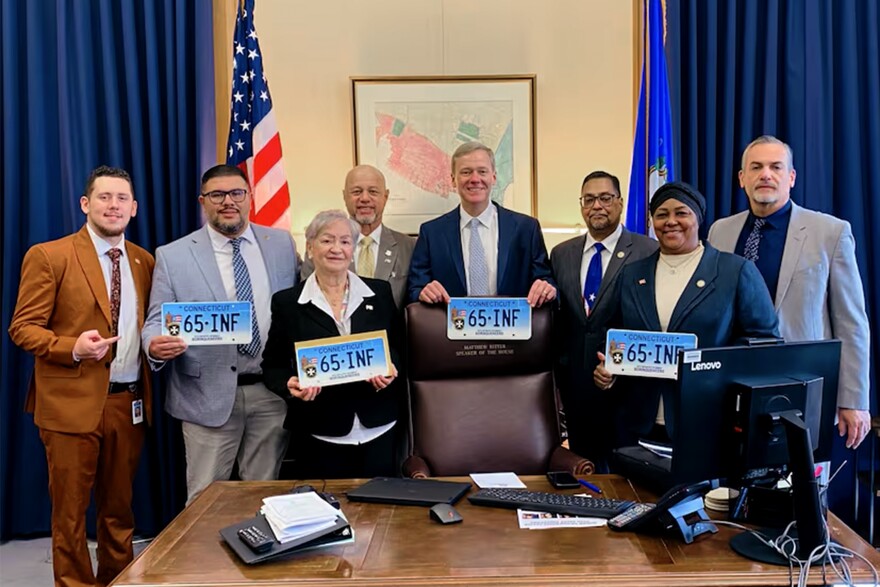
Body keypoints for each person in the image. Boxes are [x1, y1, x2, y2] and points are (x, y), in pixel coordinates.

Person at [9, 166, 154, 587]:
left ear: (134, 208)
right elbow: (23, 327)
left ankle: (119, 580)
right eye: (104, 197)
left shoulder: (144, 261)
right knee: (70, 516)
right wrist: (71, 347)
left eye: (121, 198)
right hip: (70, 405)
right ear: (85, 204)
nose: (114, 206)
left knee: (120, 511)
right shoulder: (49, 255)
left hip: (128, 404)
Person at [142, 164, 298, 503]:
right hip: (205, 395)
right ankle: (202, 559)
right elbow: (156, 320)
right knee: (204, 501)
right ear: (203, 201)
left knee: (266, 497)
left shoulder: (281, 244)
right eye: (217, 195)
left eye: (236, 193)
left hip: (270, 393)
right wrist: (154, 345)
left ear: (250, 197)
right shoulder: (173, 255)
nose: (228, 201)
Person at [708, 135, 871, 449]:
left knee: (799, 494)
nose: (765, 174)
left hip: (801, 386)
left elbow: (851, 323)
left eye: (775, 167)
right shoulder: (720, 231)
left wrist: (853, 399)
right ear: (742, 179)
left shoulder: (831, 232)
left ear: (791, 177)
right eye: (756, 167)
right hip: (732, 387)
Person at [594, 182, 779, 446]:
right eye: (661, 214)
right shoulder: (631, 274)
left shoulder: (734, 272)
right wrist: (607, 369)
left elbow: (765, 343)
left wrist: (713, 365)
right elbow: (610, 334)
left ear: (698, 219)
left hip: (706, 423)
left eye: (681, 213)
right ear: (651, 221)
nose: (671, 221)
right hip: (637, 428)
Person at [262, 210, 402, 478]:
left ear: (352, 249)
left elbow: (397, 348)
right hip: (320, 430)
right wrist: (290, 385)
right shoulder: (288, 302)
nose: (336, 248)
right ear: (310, 247)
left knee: (382, 515)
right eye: (327, 241)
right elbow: (273, 365)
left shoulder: (380, 292)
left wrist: (391, 367)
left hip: (379, 425)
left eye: (345, 241)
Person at [550, 170, 657, 469]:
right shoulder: (561, 254)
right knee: (585, 468)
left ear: (620, 203)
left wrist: (617, 364)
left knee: (626, 471)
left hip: (626, 388)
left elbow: (649, 319)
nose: (597, 205)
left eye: (605, 198)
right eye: (589, 199)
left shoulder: (647, 250)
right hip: (574, 386)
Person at [407, 141, 556, 307]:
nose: (475, 179)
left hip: (512, 329)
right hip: (451, 329)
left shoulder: (526, 229)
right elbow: (414, 288)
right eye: (466, 172)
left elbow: (545, 281)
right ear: (453, 180)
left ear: (493, 177)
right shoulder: (431, 232)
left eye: (482, 171)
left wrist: (546, 289)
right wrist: (423, 292)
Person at [301, 165, 415, 309]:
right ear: (344, 196)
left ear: (385, 197)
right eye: (356, 192)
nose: (365, 198)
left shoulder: (409, 246)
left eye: (373, 192)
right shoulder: (322, 248)